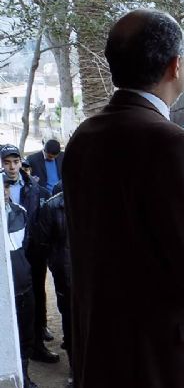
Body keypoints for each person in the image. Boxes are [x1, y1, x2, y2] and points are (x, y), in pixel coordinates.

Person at [62, 9, 184, 388]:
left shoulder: (84, 138)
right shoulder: (171, 143)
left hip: (106, 346)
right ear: (175, 65)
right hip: (168, 358)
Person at [1, 144, 56, 364]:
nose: (12, 167)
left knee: (36, 294)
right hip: (10, 253)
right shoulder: (3, 186)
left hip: (33, 250)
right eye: (7, 162)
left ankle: (37, 341)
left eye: (15, 162)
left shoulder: (32, 186)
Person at [35, 180, 75, 387]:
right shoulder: (52, 206)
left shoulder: (97, 199)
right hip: (65, 275)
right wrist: (55, 263)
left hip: (92, 275)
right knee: (70, 318)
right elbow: (43, 242)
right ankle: (75, 368)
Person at [3, 169, 40, 388]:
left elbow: (23, 247)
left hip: (23, 286)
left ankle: (23, 377)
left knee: (26, 335)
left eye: (7, 186)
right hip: (4, 295)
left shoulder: (20, 212)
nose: (4, 191)